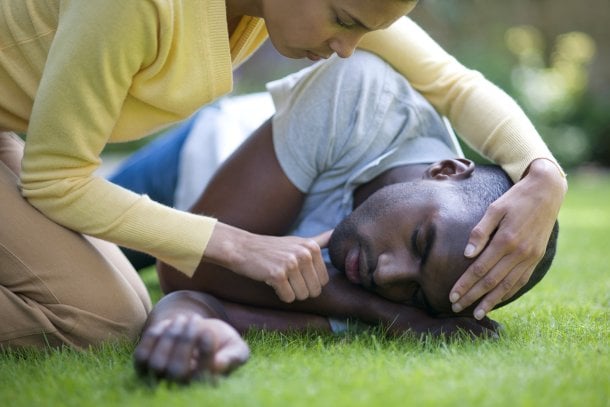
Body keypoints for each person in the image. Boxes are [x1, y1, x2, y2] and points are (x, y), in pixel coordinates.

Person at [0, 0, 566, 349]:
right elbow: (59, 179)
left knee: (115, 305)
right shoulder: (140, 5)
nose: (348, 50)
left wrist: (543, 176)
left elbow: (454, 84)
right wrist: (241, 245)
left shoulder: (315, 15)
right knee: (100, 321)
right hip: (165, 154)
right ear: (446, 170)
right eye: (344, 22)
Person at [129, 52, 559, 383]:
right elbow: (185, 263)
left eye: (415, 295)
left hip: (204, 219)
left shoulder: (390, 285)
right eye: (420, 242)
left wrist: (191, 326)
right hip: (200, 154)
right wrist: (378, 312)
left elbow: (193, 300)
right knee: (70, 211)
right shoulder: (361, 96)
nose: (389, 276)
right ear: (446, 170)